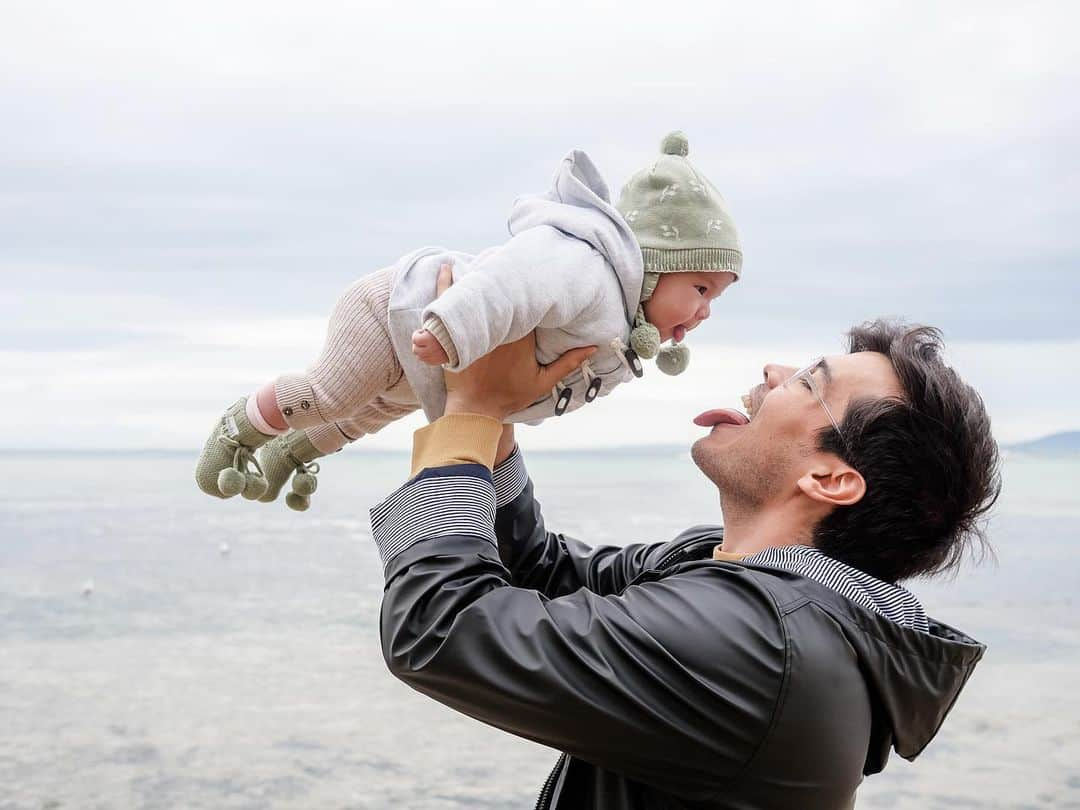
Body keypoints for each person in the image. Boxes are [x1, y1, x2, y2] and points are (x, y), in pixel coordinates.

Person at [368, 264, 1001, 809]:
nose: (775, 370)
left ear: (831, 478)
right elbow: (540, 574)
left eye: (810, 383)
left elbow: (442, 629)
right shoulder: (732, 576)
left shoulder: (760, 643)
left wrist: (471, 414)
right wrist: (495, 410)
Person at [194, 132, 742, 511]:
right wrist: (451, 325)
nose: (704, 311)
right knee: (331, 394)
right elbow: (512, 281)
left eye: (715, 298)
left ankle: (288, 453)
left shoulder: (619, 328)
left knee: (367, 415)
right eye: (699, 288)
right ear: (654, 267)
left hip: (431, 369)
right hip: (400, 313)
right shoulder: (586, 267)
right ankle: (237, 426)